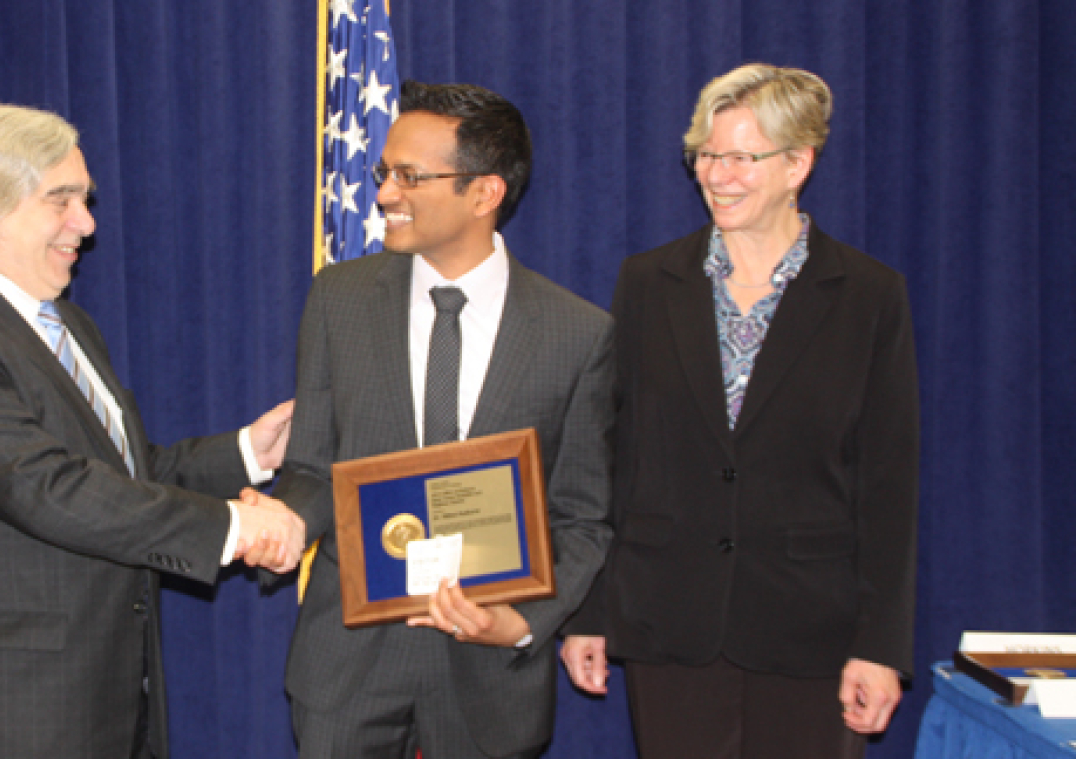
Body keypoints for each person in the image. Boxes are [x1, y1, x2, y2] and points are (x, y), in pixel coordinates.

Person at [0, 103, 305, 759]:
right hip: (3, 715)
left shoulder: (68, 328)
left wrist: (248, 452)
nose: (87, 223)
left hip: (105, 702)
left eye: (85, 199)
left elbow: (121, 477)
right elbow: (47, 488)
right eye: (62, 200)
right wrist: (234, 527)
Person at [560, 63, 919, 758]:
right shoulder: (647, 282)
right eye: (706, 155)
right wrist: (590, 610)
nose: (717, 174)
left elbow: (889, 482)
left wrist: (880, 646)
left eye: (740, 157)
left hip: (813, 630)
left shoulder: (870, 295)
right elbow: (613, 457)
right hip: (670, 622)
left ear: (797, 164)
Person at [268, 81, 613, 758]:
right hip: (347, 668)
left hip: (488, 682)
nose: (385, 194)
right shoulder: (339, 300)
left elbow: (582, 515)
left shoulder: (579, 333)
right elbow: (311, 468)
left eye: (410, 176)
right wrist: (282, 521)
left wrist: (519, 622)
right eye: (383, 173)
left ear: (484, 193)